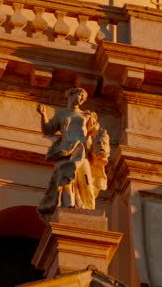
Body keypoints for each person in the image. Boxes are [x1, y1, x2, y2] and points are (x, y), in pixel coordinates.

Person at [36, 88, 110, 220]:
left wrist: (98, 130)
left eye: (84, 98)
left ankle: (89, 209)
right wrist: (43, 115)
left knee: (86, 182)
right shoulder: (61, 115)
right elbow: (48, 129)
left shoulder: (87, 115)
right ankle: (68, 206)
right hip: (66, 151)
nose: (81, 99)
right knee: (66, 180)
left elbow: (95, 133)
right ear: (71, 95)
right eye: (80, 95)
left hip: (82, 151)